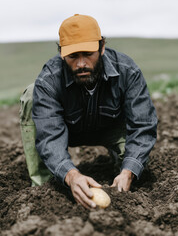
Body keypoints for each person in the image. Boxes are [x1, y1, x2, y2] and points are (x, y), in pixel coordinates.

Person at [20, 14, 157, 209]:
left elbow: (143, 124)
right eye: (73, 56)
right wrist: (71, 175)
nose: (81, 63)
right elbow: (49, 136)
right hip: (67, 132)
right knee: (31, 95)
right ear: (61, 53)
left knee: (135, 166)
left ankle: (122, 170)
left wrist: (129, 170)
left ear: (102, 47)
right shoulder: (49, 79)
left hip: (111, 128)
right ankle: (43, 186)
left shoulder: (127, 71)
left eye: (88, 53)